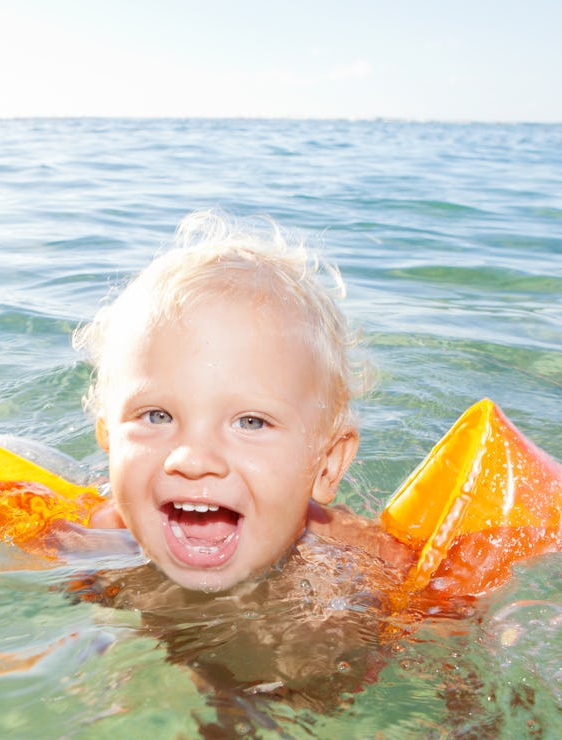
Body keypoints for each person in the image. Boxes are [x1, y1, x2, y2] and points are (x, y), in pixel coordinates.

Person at [74, 209, 414, 593]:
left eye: (250, 422)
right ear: (108, 436)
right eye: (156, 416)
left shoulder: (369, 563)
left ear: (327, 464)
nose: (192, 460)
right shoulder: (93, 541)